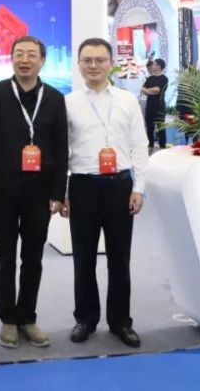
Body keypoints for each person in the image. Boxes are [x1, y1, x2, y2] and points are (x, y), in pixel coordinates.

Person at [64, 37, 149, 349]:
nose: (94, 66)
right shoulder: (69, 102)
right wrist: (63, 191)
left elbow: (140, 145)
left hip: (119, 186)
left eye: (100, 60)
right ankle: (85, 319)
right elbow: (63, 150)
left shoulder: (127, 100)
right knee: (83, 258)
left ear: (111, 64)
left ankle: (121, 321)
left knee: (119, 258)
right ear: (79, 65)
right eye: (87, 60)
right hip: (83, 185)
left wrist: (139, 188)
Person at [0, 35, 68, 349]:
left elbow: (61, 148)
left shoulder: (55, 98)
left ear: (42, 60)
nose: (24, 60)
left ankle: (28, 317)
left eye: (31, 55)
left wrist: (58, 192)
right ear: (10, 58)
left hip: (40, 193)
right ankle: (8, 319)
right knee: (5, 258)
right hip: (2, 191)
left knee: (33, 258)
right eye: (19, 54)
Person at [141, 58, 168, 150]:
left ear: (159, 66)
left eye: (154, 64)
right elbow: (143, 89)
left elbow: (158, 90)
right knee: (149, 126)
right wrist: (150, 91)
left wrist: (148, 90)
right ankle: (150, 145)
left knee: (161, 127)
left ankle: (162, 146)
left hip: (159, 107)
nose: (152, 66)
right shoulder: (150, 78)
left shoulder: (164, 79)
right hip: (150, 106)